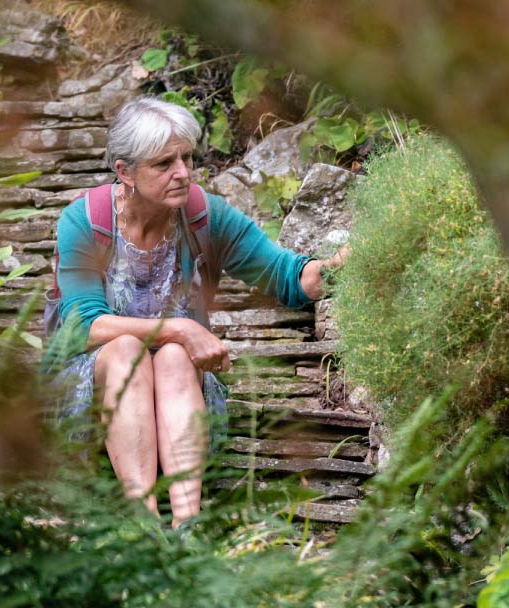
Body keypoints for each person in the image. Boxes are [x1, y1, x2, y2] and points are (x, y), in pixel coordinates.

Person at [44, 96, 345, 530]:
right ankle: (143, 525)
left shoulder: (204, 215)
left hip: (179, 395)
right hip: (87, 400)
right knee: (126, 348)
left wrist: (341, 268)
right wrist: (180, 327)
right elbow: (84, 326)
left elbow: (284, 275)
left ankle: (188, 525)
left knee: (171, 355)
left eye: (186, 157)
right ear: (124, 171)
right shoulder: (85, 221)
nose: (183, 172)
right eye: (164, 163)